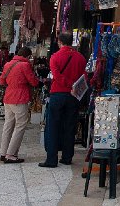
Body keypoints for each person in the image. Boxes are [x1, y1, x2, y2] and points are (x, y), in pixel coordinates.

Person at [39, 32, 87, 168]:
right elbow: (84, 77)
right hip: (73, 96)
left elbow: (57, 76)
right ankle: (67, 157)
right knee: (70, 127)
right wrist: (74, 87)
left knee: (53, 126)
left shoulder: (55, 57)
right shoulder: (81, 58)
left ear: (59, 42)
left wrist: (68, 84)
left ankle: (51, 159)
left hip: (58, 94)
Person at [0, 47, 39, 163]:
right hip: (20, 98)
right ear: (27, 56)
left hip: (8, 97)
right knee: (20, 125)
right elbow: (33, 82)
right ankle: (10, 154)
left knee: (8, 125)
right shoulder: (25, 66)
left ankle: (3, 152)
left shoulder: (8, 64)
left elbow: (2, 81)